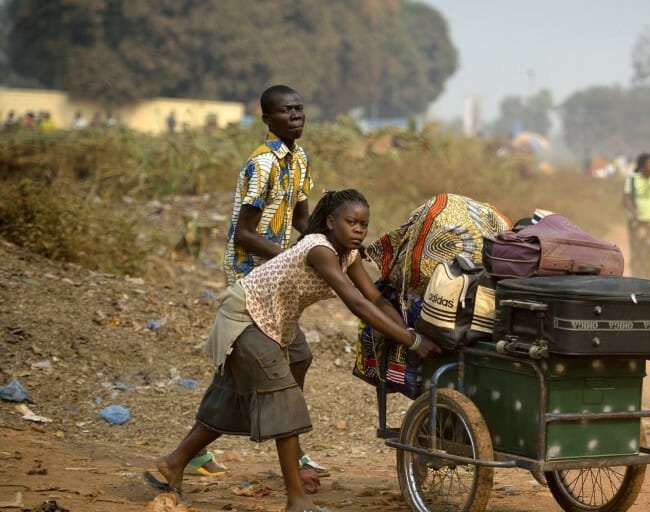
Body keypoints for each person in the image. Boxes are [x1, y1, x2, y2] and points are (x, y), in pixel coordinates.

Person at [146, 190, 442, 512]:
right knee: (283, 396)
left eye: (364, 224)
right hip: (245, 316)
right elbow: (355, 303)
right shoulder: (319, 249)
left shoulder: (349, 255)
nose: (358, 230)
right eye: (351, 222)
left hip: (276, 321)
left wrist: (407, 331)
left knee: (246, 390)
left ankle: (175, 462)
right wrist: (410, 342)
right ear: (330, 222)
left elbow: (374, 298)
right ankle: (297, 500)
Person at [186, 85, 320, 478]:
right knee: (284, 362)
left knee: (258, 368)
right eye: (286, 111)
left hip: (275, 275)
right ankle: (290, 448)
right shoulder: (262, 164)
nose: (296, 116)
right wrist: (294, 258)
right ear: (267, 119)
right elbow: (243, 234)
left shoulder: (300, 162)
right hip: (250, 277)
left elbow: (300, 220)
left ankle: (192, 452)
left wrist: (329, 245)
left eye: (299, 109)